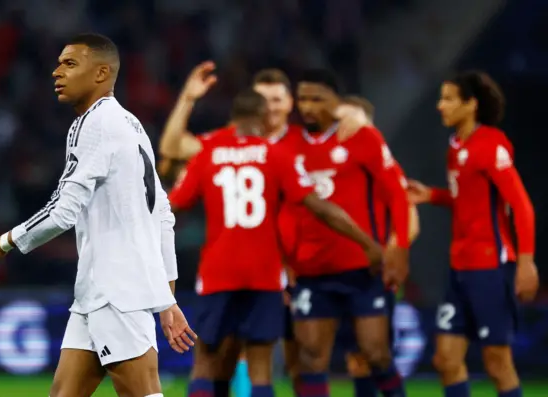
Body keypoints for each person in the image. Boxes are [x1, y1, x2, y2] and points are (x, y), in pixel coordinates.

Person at [0, 33, 196, 397]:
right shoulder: (131, 125)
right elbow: (163, 214)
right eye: (59, 63)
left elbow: (63, 211)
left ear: (101, 73)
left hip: (117, 291)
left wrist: (6, 241)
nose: (56, 72)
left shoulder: (97, 124)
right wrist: (166, 296)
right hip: (97, 290)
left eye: (70, 64)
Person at [169, 89, 384, 397]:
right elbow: (319, 206)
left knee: (205, 363)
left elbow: (172, 206)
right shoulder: (277, 155)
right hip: (264, 273)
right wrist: (366, 242)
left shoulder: (209, 154)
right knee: (261, 368)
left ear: (234, 118)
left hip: (218, 272)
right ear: (263, 117)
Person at [407, 71, 538, 397]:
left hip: (491, 267)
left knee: (497, 362)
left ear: (471, 104)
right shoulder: (456, 147)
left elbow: (521, 206)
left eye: (449, 99)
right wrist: (432, 195)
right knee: (445, 360)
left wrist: (526, 262)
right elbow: (470, 203)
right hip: (460, 268)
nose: (440, 106)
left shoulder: (490, 144)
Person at [284, 69, 411, 397]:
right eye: (303, 99)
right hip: (311, 271)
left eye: (317, 99)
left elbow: (397, 193)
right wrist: (285, 259)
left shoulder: (363, 137)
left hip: (362, 267)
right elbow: (281, 207)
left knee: (375, 354)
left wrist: (399, 249)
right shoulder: (289, 144)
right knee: (311, 359)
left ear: (337, 103)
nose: (308, 106)